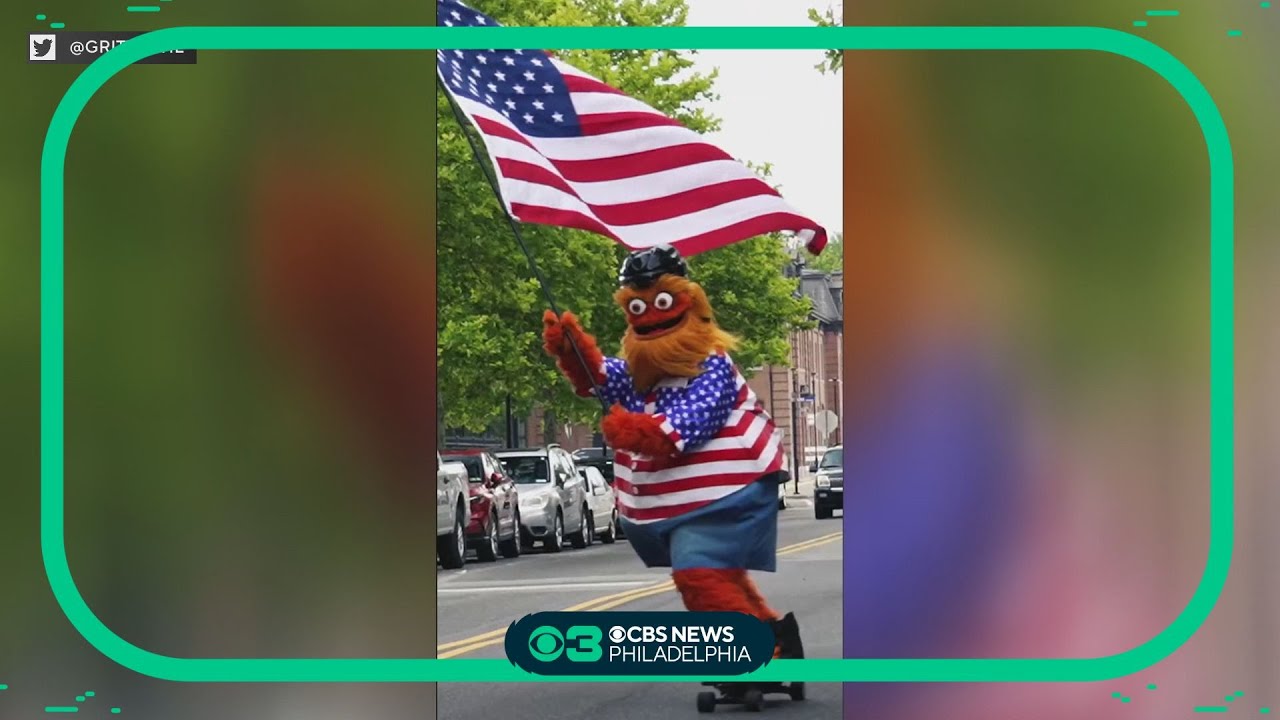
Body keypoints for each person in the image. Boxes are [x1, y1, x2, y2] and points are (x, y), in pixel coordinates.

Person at [541, 244, 802, 660]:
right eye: (637, 308)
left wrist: (636, 430)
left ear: (689, 302)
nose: (651, 316)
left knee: (699, 574)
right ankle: (774, 638)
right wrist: (575, 352)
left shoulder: (711, 365)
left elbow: (691, 421)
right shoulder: (647, 374)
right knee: (718, 575)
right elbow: (607, 378)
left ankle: (749, 652)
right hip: (688, 504)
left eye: (661, 302)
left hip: (726, 494)